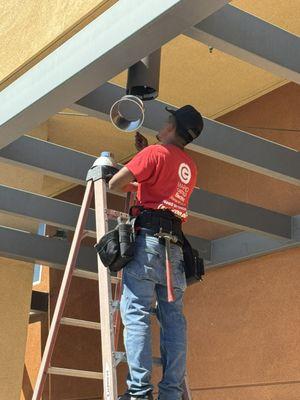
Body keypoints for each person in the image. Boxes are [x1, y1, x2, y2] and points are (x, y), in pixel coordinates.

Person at [109, 105, 204, 400]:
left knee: (136, 312)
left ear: (171, 127)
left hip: (148, 240)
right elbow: (163, 186)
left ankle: (138, 391)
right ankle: (171, 393)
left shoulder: (155, 154)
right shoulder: (189, 166)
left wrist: (142, 157)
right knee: (173, 319)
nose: (161, 124)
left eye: (166, 121)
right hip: (174, 248)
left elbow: (116, 183)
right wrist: (148, 157)